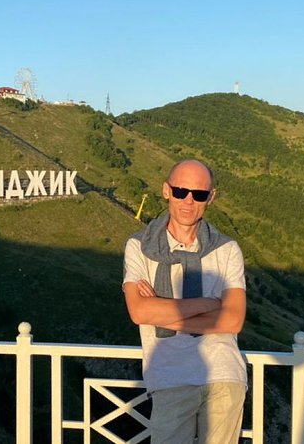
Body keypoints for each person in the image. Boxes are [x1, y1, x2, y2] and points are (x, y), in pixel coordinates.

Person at [123, 159, 247, 444]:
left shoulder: (227, 249)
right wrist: (209, 303)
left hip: (223, 374)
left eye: (199, 194)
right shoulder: (138, 247)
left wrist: (162, 313)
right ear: (167, 190)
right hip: (170, 377)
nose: (189, 201)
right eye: (181, 191)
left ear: (210, 197)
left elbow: (233, 320)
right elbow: (139, 311)